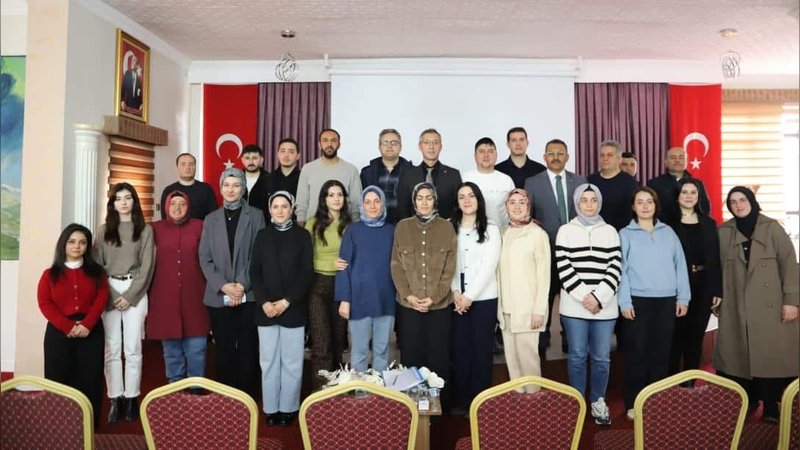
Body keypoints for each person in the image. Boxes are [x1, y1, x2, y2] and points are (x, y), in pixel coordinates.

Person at [715, 186, 799, 422]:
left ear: (752, 201)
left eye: (742, 200)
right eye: (733, 202)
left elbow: (789, 264)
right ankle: (747, 399)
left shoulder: (772, 228)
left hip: (771, 305)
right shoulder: (724, 232)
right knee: (738, 355)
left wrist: (791, 302)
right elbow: (716, 267)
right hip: (736, 305)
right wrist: (716, 298)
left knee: (771, 355)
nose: (738, 205)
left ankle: (772, 404)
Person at [618, 186, 690, 421]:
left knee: (661, 354)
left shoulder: (668, 233)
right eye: (640, 202)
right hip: (637, 301)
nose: (645, 206)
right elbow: (621, 271)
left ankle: (657, 403)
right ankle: (634, 403)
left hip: (666, 301)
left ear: (655, 205)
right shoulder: (625, 234)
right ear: (633, 206)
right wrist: (624, 301)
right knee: (637, 354)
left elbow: (680, 265)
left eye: (649, 201)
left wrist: (683, 297)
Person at [555, 184, 621, 426]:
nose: (589, 204)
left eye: (594, 199)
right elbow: (564, 267)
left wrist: (599, 298)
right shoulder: (565, 231)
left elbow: (615, 267)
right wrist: (586, 297)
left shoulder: (610, 231)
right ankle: (577, 402)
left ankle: (597, 400)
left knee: (601, 357)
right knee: (577, 356)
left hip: (605, 307)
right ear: (577, 203)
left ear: (599, 203)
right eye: (584, 200)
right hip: (575, 307)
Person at [199, 168, 266, 398]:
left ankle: (247, 396)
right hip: (219, 295)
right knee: (224, 347)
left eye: (236, 185)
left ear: (243, 188)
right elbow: (204, 258)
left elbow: (258, 254)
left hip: (248, 294)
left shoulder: (256, 215)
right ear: (220, 188)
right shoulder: (211, 219)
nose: (231, 190)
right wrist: (224, 286)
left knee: (248, 346)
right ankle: (225, 396)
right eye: (226, 185)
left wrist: (241, 285)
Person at [391, 182, 457, 406]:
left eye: (429, 198)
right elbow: (396, 266)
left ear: (435, 200)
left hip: (439, 307)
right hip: (409, 306)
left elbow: (449, 269)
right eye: (420, 198)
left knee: (438, 358)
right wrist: (408, 296)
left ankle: (438, 409)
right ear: (414, 201)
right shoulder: (402, 227)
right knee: (411, 358)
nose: (425, 202)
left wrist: (434, 297)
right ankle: (411, 409)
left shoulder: (447, 228)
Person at [251, 191, 313, 427]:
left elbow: (306, 273)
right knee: (268, 361)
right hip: (266, 309)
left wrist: (287, 301)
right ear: (269, 209)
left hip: (293, 308)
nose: (279, 210)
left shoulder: (302, 236)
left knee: (292, 362)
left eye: (284, 206)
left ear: (292, 209)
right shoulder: (262, 235)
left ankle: (288, 408)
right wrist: (264, 302)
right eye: (275, 206)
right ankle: (271, 408)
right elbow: (255, 271)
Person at [94, 182, 155, 423]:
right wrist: (110, 294)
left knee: (133, 348)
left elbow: (147, 267)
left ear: (134, 201)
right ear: (112, 204)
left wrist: (129, 296)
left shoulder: (145, 230)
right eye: (118, 198)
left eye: (128, 197)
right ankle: (115, 398)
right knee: (111, 348)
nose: (123, 202)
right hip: (108, 288)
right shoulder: (103, 231)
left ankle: (131, 398)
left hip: (135, 290)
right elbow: (96, 267)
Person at [38, 224, 108, 426]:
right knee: (58, 376)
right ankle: (58, 425)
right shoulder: (49, 274)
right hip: (59, 332)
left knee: (90, 377)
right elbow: (44, 303)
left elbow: (102, 297)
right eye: (72, 241)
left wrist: (87, 324)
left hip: (91, 331)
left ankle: (88, 424)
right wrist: (67, 326)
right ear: (63, 244)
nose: (77, 246)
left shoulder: (97, 272)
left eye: (82, 242)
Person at [524, 138, 587, 356]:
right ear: (544, 157)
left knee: (573, 295)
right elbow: (529, 217)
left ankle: (570, 337)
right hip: (545, 249)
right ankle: (542, 337)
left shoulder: (580, 181)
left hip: (574, 251)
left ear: (567, 157)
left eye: (560, 153)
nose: (555, 157)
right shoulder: (532, 182)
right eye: (551, 153)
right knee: (546, 295)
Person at [449, 182, 502, 416]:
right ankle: (461, 400)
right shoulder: (450, 227)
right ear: (457, 202)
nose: (467, 200)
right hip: (456, 299)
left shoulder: (491, 229)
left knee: (481, 351)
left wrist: (469, 296)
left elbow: (489, 267)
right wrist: (455, 292)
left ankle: (480, 402)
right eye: (462, 197)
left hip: (483, 299)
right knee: (460, 350)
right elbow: (449, 263)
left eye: (471, 196)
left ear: (478, 200)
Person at [147, 191, 210, 383]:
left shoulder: (200, 226)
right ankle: (174, 386)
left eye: (182, 204)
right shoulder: (154, 229)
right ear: (166, 206)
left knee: (197, 347)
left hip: (195, 294)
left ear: (188, 206)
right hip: (165, 296)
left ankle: (196, 387)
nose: (177, 207)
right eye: (173, 203)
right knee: (171, 349)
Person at [335, 186, 396, 372]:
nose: (372, 206)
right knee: (359, 352)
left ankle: (379, 389)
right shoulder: (353, 231)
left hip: (386, 299)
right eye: (367, 202)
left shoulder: (392, 231)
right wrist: (344, 299)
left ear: (383, 204)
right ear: (362, 205)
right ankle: (359, 389)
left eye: (377, 201)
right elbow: (343, 266)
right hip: (358, 300)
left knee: (382, 352)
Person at [667, 179, 722, 378]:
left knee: (696, 337)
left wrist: (716, 289)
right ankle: (671, 381)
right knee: (675, 336)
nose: (689, 196)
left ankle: (690, 381)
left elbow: (715, 258)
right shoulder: (667, 224)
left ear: (699, 196)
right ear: (677, 196)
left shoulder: (709, 223)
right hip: (676, 285)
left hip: (704, 285)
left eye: (693, 192)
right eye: (684, 192)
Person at [497, 189, 550, 391]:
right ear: (506, 207)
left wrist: (539, 310)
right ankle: (519, 402)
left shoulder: (537, 234)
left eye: (521, 202)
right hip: (506, 309)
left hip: (528, 310)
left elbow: (544, 277)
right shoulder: (502, 233)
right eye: (512, 202)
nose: (517, 206)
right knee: (512, 362)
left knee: (529, 363)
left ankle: (533, 402)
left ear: (528, 206)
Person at [305, 180, 352, 385]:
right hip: (318, 285)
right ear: (324, 199)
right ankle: (320, 392)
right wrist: (329, 263)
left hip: (343, 285)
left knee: (339, 341)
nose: (336, 199)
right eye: (331, 195)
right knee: (321, 341)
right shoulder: (312, 224)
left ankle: (337, 391)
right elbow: (305, 259)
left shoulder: (351, 225)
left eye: (339, 194)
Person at [295, 129, 361, 224]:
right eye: (325, 140)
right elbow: (301, 203)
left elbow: (356, 205)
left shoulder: (351, 170)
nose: (329, 144)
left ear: (339, 144)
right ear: (319, 144)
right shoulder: (307, 169)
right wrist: (301, 227)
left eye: (333, 140)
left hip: (343, 227)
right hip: (312, 227)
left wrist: (355, 227)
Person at [396, 129, 462, 220]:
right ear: (420, 146)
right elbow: (403, 209)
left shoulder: (453, 175)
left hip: (445, 227)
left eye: (435, 142)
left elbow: (458, 207)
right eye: (427, 142)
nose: (431, 147)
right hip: (414, 227)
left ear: (441, 146)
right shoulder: (408, 175)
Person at [360, 129, 413, 224]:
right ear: (379, 146)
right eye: (385, 143)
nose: (389, 146)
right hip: (375, 225)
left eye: (394, 143)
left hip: (404, 225)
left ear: (400, 146)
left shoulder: (412, 172)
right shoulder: (367, 173)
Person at [647, 146, 711, 224]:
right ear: (666, 162)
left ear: (686, 161)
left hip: (691, 226)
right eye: (673, 158)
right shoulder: (654, 184)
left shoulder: (697, 183)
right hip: (663, 227)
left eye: (681, 158)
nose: (677, 161)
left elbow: (705, 208)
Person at [462, 137, 515, 227]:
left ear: (496, 155)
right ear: (475, 156)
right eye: (482, 151)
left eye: (490, 151)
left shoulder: (506, 180)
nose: (486, 155)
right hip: (471, 231)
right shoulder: (465, 178)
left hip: (502, 232)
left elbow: (514, 209)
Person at [587, 140, 639, 231]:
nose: (605, 158)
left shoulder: (630, 183)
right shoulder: (589, 181)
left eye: (610, 155)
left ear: (619, 159)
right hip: (594, 233)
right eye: (602, 155)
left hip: (622, 234)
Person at [160, 153, 219, 220]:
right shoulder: (169, 190)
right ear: (177, 167)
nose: (187, 168)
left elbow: (214, 216)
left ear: (195, 167)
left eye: (191, 164)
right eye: (183, 164)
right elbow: (164, 218)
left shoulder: (206, 189)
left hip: (202, 226)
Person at [241, 144, 272, 214]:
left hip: (262, 220)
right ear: (242, 160)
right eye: (247, 158)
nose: (251, 162)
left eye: (254, 158)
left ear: (261, 160)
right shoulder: (236, 179)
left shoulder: (270, 180)